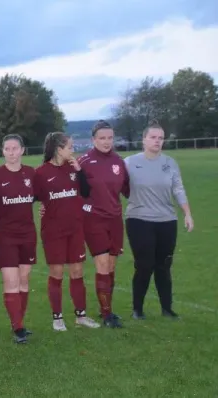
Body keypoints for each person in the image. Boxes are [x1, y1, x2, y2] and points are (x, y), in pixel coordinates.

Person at [124, 120, 193, 320]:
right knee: (144, 264)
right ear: (143, 140)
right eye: (153, 137)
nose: (157, 141)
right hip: (139, 220)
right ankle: (137, 309)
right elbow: (114, 185)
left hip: (167, 221)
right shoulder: (129, 162)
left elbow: (178, 189)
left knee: (163, 265)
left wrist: (187, 213)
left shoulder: (170, 163)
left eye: (160, 138)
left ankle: (167, 309)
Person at [33, 132, 100, 331]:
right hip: (53, 231)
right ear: (58, 148)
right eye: (70, 146)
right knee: (57, 272)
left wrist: (79, 171)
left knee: (78, 271)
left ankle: (81, 315)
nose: (73, 150)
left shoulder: (74, 168)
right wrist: (42, 206)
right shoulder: (41, 172)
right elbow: (34, 196)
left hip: (75, 228)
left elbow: (87, 192)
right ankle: (57, 318)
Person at [78, 120, 130, 328]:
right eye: (102, 138)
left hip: (115, 219)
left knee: (111, 266)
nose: (107, 142)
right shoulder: (83, 162)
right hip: (93, 219)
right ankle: (107, 314)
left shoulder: (119, 162)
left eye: (110, 138)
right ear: (93, 140)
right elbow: (72, 189)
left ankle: (105, 308)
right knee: (102, 264)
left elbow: (128, 190)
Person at [0, 135, 36, 343]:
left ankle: (19, 322)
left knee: (24, 279)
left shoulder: (31, 174)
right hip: (4, 235)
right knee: (11, 280)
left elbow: (45, 196)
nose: (12, 152)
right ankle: (18, 328)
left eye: (15, 148)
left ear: (22, 150)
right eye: (7, 148)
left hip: (28, 234)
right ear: (3, 151)